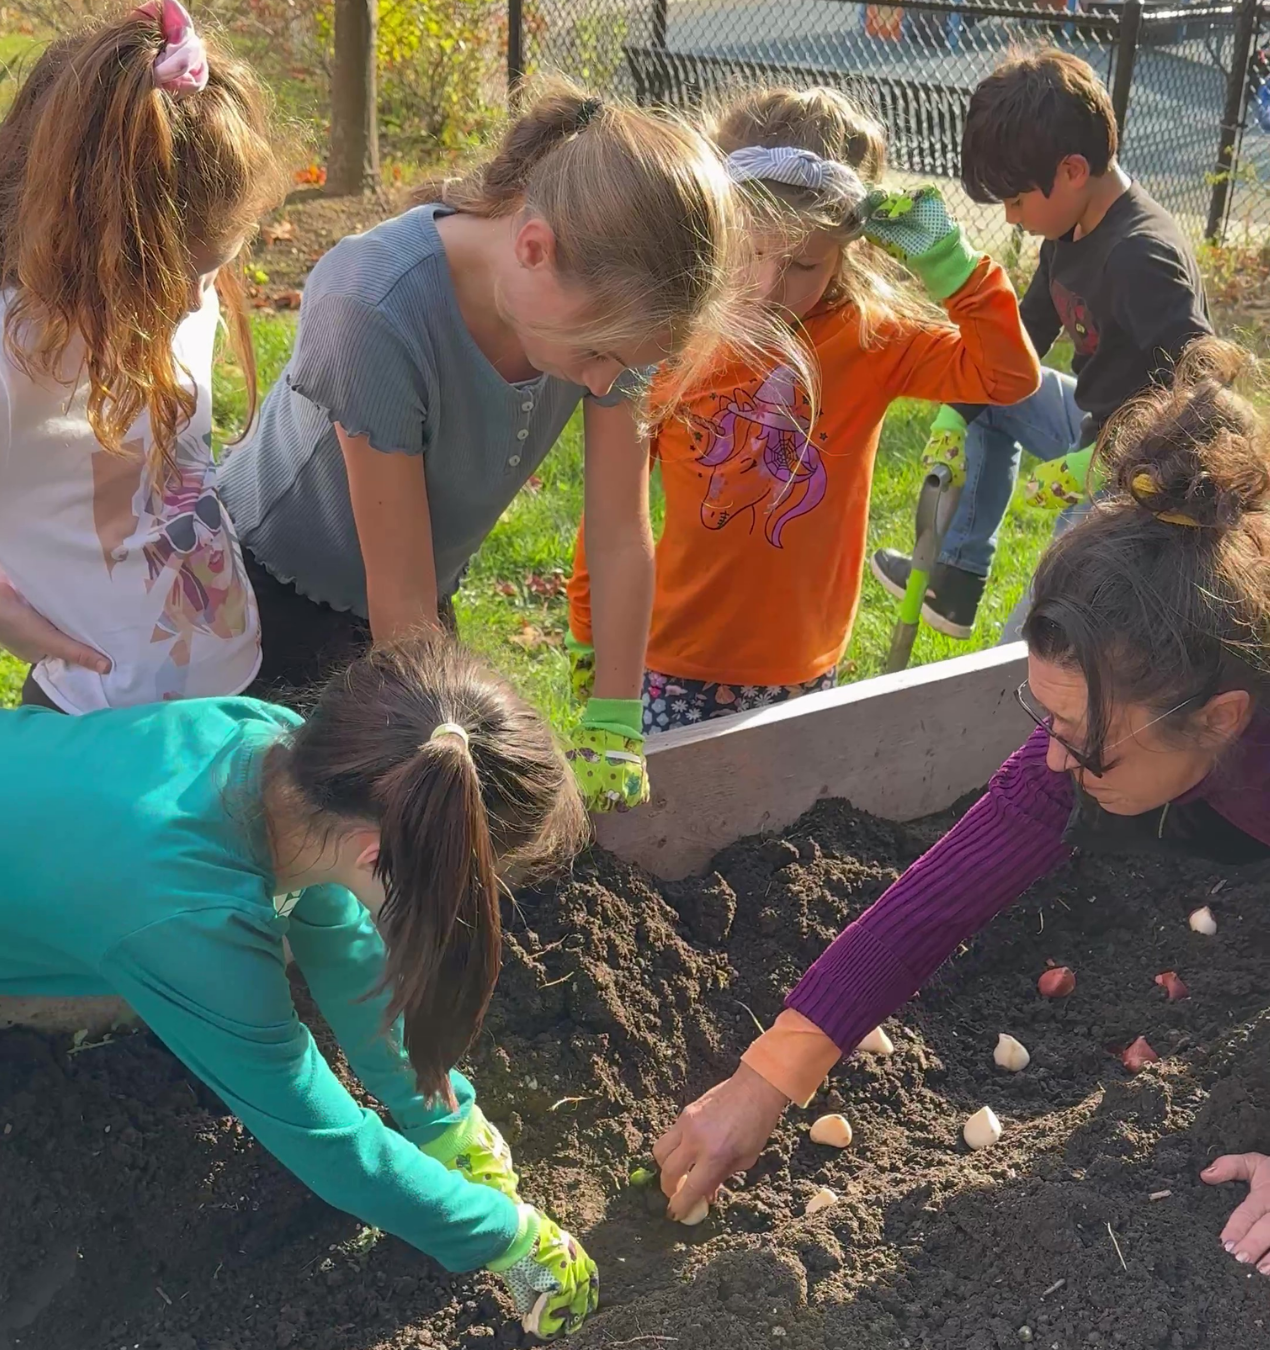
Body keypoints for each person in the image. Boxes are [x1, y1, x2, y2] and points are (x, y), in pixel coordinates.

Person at [654, 337, 1270, 1275]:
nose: (1051, 759)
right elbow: (936, 900)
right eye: (1046, 715)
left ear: (1222, 720)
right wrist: (762, 1081)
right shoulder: (1130, 699)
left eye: (1083, 735)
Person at [219, 77, 799, 811]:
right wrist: (436, 758)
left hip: (415, 592)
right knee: (298, 836)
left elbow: (620, 532)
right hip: (262, 600)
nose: (605, 382)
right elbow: (397, 601)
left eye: (626, 364)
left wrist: (617, 715)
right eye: (598, 356)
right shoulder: (373, 306)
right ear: (533, 247)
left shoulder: (609, 320)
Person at [0, 635, 601, 1337]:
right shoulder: (196, 923)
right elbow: (326, 1139)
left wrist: (444, 1119)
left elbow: (339, 942)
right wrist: (509, 1242)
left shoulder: (280, 752)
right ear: (376, 857)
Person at [565, 86, 1039, 733]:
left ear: (846, 250)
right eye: (749, 251)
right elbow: (612, 508)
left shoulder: (870, 339)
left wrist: (952, 269)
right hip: (671, 656)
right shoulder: (669, 335)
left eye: (802, 264)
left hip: (804, 664)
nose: (766, 284)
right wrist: (590, 629)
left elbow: (1008, 376)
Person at [0, 2, 285, 712]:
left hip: (233, 688)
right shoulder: (16, 359)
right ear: (87, 241)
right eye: (171, 279)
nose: (195, 302)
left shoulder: (188, 288)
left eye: (213, 268)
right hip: (95, 727)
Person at [871, 49, 1211, 641]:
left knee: (1028, 646)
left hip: (1144, 469)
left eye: (1017, 200)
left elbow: (1203, 393)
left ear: (1073, 170)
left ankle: (1010, 710)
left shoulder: (1142, 255)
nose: (1011, 217)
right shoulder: (1071, 225)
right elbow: (1022, 335)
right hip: (1090, 421)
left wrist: (1099, 464)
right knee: (992, 384)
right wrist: (958, 409)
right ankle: (957, 578)